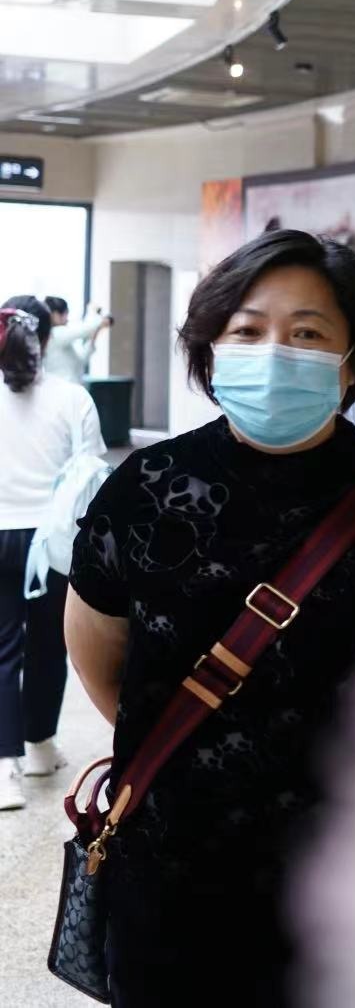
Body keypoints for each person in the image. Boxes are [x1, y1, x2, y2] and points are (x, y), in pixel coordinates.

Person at [63, 230, 355, 1006]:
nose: (275, 351)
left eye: (307, 331)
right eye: (247, 330)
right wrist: (190, 751)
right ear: (211, 349)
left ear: (350, 359)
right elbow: (101, 658)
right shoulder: (144, 488)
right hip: (172, 862)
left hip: (352, 872)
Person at [0, 296, 102, 810]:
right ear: (47, 337)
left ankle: (2, 768)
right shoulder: (72, 398)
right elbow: (90, 474)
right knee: (47, 645)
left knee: (1, 650)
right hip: (51, 542)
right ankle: (39, 747)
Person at [41, 296, 111, 384]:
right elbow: (83, 329)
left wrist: (97, 328)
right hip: (63, 391)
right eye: (65, 314)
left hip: (70, 390)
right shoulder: (55, 334)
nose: (67, 319)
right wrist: (100, 320)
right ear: (55, 315)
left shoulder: (59, 339)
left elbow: (80, 361)